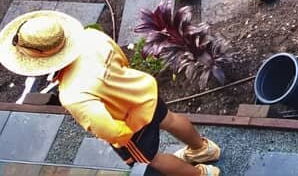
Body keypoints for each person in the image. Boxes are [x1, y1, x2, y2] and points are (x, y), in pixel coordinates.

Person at [0, 10, 222, 176]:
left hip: (128, 123)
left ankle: (202, 174)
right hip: (140, 91)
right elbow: (121, 59)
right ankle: (203, 149)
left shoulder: (72, 93)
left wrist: (125, 139)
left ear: (39, 60)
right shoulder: (91, 37)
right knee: (170, 119)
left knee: (152, 158)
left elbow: (109, 129)